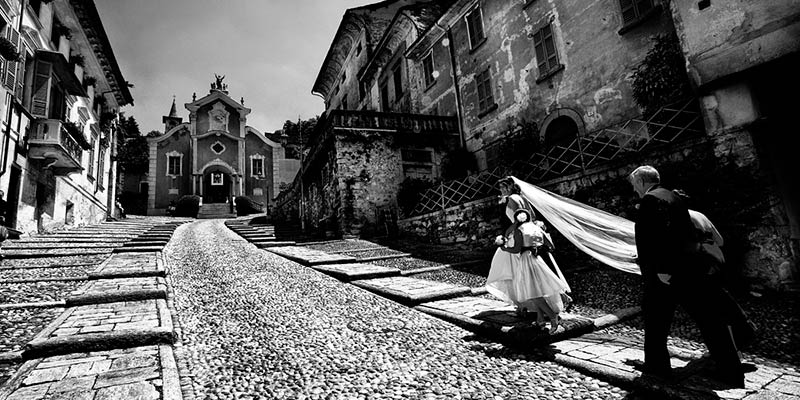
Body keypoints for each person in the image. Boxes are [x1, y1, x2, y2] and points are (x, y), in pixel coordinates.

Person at [629, 165, 745, 387]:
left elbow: (659, 238)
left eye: (634, 184)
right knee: (710, 320)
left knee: (655, 321)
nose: (634, 189)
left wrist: (662, 269)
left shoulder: (651, 200)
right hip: (689, 268)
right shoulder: (674, 196)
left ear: (642, 182)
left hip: (667, 274)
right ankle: (731, 372)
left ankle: (657, 367)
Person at [488, 208, 570, 333]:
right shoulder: (538, 229)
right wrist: (536, 247)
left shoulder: (518, 231)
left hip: (526, 260)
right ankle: (540, 319)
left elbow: (516, 249)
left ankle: (552, 317)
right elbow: (551, 247)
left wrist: (504, 248)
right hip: (538, 260)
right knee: (537, 288)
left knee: (532, 292)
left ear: (516, 219)